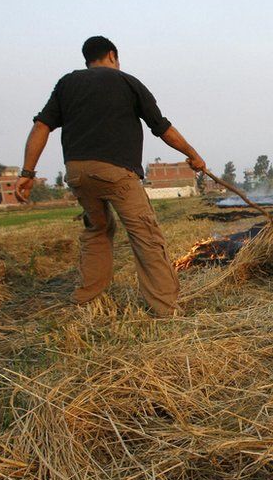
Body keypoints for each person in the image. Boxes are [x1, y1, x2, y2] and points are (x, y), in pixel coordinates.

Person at [17, 36, 206, 317]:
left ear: (87, 59)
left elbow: (41, 127)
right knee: (145, 235)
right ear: (112, 55)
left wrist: (27, 172)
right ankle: (166, 308)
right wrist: (193, 154)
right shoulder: (127, 82)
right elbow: (162, 127)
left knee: (97, 229)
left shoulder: (67, 84)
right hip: (117, 173)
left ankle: (87, 298)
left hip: (78, 173)